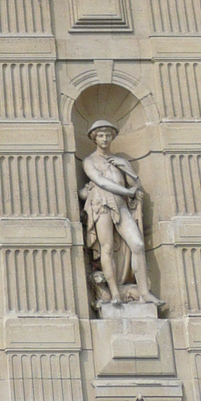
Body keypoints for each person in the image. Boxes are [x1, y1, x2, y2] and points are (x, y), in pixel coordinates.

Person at [79, 121, 161, 307]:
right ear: (94, 138)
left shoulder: (120, 161)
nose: (104, 138)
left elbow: (136, 185)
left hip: (121, 206)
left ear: (113, 137)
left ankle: (144, 293)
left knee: (138, 245)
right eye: (100, 135)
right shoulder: (89, 161)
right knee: (106, 248)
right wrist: (126, 192)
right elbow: (100, 181)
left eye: (108, 135)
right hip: (102, 205)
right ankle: (115, 293)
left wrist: (126, 169)